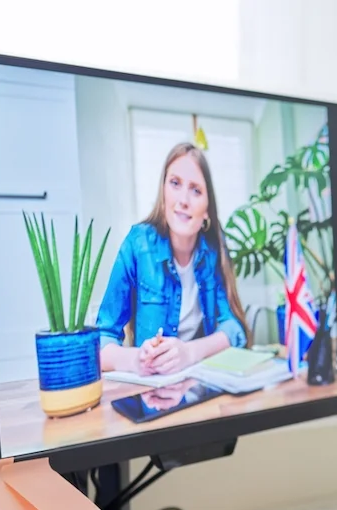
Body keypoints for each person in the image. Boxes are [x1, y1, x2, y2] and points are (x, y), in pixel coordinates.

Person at [97, 143, 248, 375]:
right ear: (163, 191)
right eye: (175, 183)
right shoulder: (137, 244)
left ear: (207, 209)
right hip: (151, 394)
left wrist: (189, 353)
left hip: (201, 387)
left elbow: (233, 327)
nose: (183, 200)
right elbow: (102, 339)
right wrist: (135, 360)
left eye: (196, 190)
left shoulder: (214, 249)